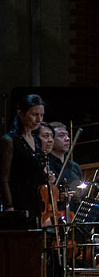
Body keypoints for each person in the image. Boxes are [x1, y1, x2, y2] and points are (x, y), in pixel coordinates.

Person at [0, 94, 47, 224]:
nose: (39, 119)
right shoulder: (9, 140)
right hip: (18, 200)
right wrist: (9, 207)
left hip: (37, 200)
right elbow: (3, 178)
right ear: (21, 114)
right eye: (34, 114)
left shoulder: (37, 140)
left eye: (41, 115)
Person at [48, 122, 83, 199]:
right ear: (51, 139)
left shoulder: (74, 166)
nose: (67, 139)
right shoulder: (47, 165)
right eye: (61, 135)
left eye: (67, 135)